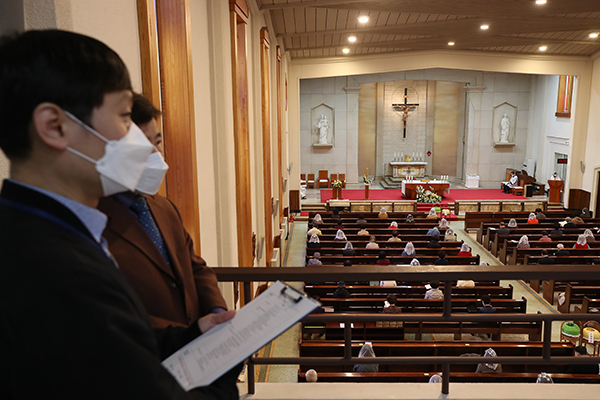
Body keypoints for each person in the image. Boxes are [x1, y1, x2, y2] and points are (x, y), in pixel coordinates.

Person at [0, 30, 238, 399]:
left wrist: (189, 338)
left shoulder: (50, 229)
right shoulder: (54, 265)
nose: (140, 147)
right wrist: (223, 373)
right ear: (54, 126)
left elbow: (101, 346)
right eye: (125, 117)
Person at [99, 93, 228, 328]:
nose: (156, 156)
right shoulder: (95, 218)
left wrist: (216, 310)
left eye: (157, 142)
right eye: (143, 147)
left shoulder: (164, 207)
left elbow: (195, 265)